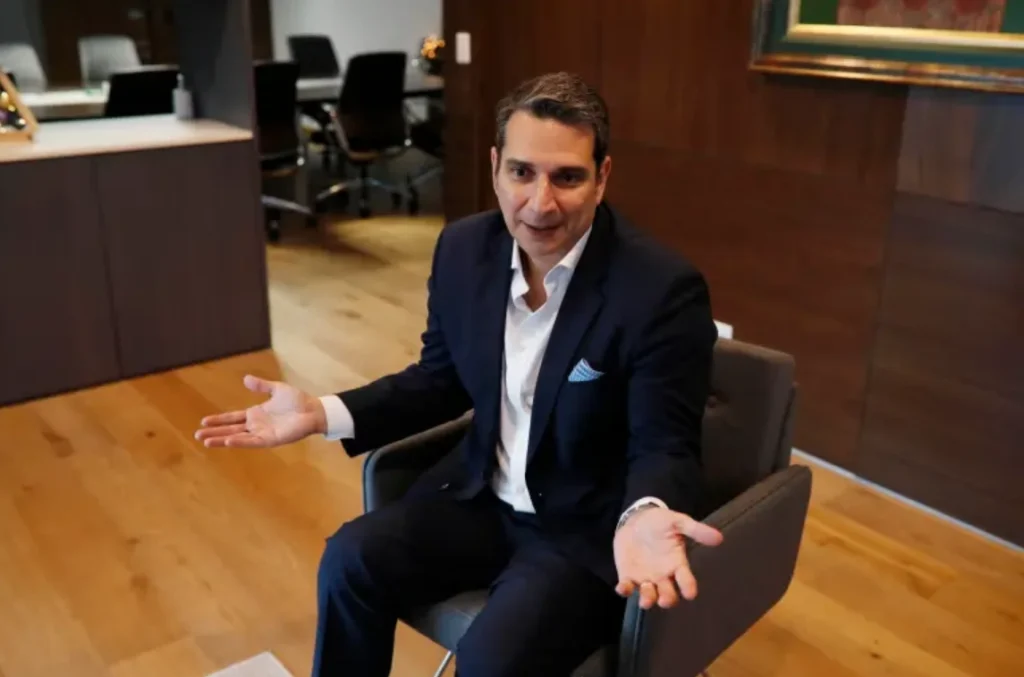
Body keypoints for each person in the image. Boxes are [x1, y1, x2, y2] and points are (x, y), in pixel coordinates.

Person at [195, 71, 724, 677]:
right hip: (479, 498)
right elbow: (439, 379)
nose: (540, 203)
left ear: (602, 177)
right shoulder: (463, 249)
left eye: (567, 177)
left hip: (581, 530)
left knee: (489, 660)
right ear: (495, 167)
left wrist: (644, 513)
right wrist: (323, 413)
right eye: (521, 172)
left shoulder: (659, 289)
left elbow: (665, 444)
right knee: (349, 561)